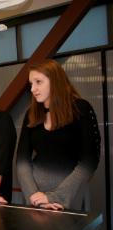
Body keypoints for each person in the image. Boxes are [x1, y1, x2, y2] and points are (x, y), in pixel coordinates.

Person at [16, 59, 100, 211]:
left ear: (55, 81)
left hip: (70, 198)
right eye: (31, 84)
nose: (33, 89)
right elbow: (22, 161)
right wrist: (34, 196)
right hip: (34, 200)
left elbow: (90, 160)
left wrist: (55, 197)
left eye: (38, 82)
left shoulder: (80, 109)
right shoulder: (31, 114)